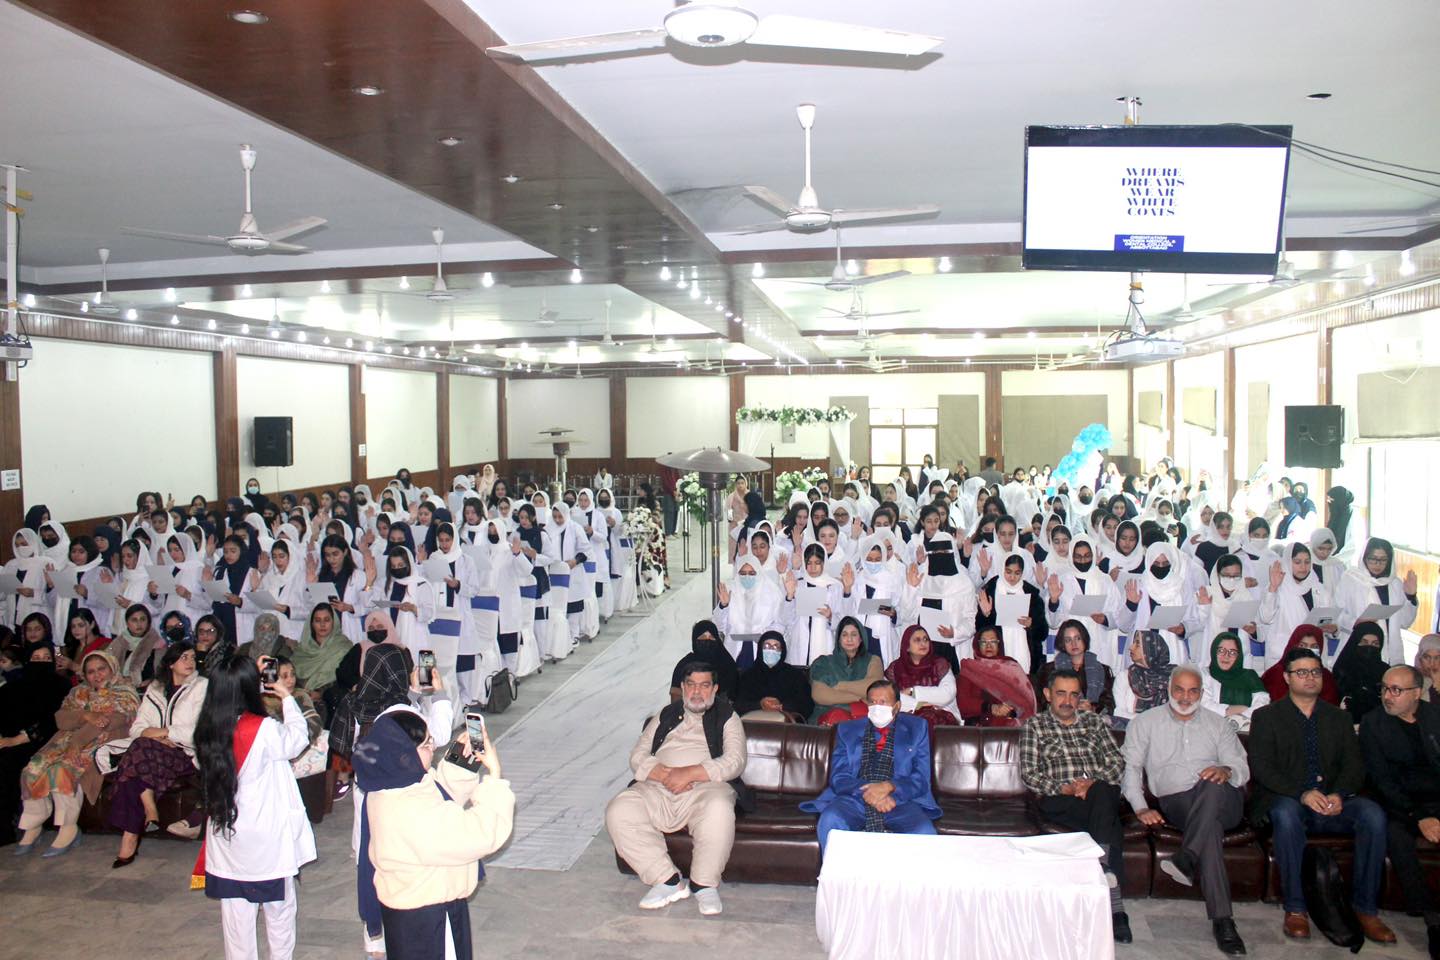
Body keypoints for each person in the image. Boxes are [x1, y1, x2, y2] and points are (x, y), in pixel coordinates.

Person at [1247, 646, 1395, 944]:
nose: (1310, 678)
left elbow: (1355, 766)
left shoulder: (1338, 718)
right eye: (1301, 672)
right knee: (1285, 815)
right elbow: (1262, 768)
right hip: (1290, 799)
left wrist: (1339, 794)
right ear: (1287, 678)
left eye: (1315, 672)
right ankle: (1296, 908)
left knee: (1372, 814)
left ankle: (1366, 909)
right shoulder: (1266, 717)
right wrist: (1303, 794)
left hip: (1332, 801)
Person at [352, 709, 511, 960]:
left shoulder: (389, 783)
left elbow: (437, 796)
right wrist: (495, 778)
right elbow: (479, 834)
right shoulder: (410, 809)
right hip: (428, 920)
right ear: (404, 754)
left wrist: (460, 762)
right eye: (427, 744)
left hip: (410, 911)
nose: (433, 747)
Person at [1122, 664, 1250, 956]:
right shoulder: (1145, 722)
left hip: (1225, 801)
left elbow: (1241, 766)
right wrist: (1140, 808)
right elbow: (1131, 769)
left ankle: (1188, 856)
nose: (1185, 697)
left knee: (1212, 784)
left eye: (1192, 691)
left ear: (1201, 693)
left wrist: (1226, 770)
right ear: (1169, 689)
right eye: (1179, 690)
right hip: (1178, 802)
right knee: (1210, 828)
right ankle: (1223, 920)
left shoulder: (1219, 724)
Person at [194, 656, 317, 960]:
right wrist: (285, 695)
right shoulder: (262, 729)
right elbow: (298, 739)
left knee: (236, 920)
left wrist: (245, 672)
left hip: (227, 835)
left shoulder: (206, 728)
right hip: (266, 839)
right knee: (279, 912)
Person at [605, 659, 749, 916]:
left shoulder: (728, 716)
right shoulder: (666, 714)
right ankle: (667, 880)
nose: (697, 692)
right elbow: (637, 755)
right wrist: (663, 774)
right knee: (620, 808)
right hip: (659, 785)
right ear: (682, 687)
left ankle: (704, 884)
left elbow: (735, 761)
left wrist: (690, 773)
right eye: (691, 685)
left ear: (715, 689)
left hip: (706, 787)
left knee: (718, 809)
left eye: (704, 685)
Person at [1021, 669, 1131, 943]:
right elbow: (1030, 774)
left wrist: (1091, 783)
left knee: (1103, 794)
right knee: (1108, 813)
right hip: (1060, 799)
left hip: (1097, 794)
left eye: (1073, 695)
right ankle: (1115, 908)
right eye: (1061, 693)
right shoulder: (1035, 726)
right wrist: (1065, 788)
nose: (1067, 701)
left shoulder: (1094, 722)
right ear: (1047, 695)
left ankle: (1110, 888)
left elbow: (1117, 763)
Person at [97, 640, 209, 866]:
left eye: (191, 657)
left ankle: (137, 827)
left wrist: (165, 733)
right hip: (151, 750)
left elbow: (200, 728)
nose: (189, 662)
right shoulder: (156, 688)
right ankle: (142, 817)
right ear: (171, 663)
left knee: (137, 754)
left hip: (184, 752)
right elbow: (138, 727)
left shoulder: (202, 686)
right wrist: (154, 737)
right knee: (140, 750)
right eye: (183, 657)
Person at [17, 649, 138, 856]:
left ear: (112, 668)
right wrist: (86, 715)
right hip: (65, 741)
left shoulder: (125, 692)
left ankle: (68, 828)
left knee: (63, 770)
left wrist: (78, 740)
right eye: (91, 671)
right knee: (32, 768)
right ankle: (33, 824)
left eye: (101, 669)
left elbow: (110, 721)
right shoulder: (78, 692)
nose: (97, 675)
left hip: (102, 743)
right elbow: (61, 718)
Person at [801, 679, 941, 855]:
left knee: (924, 831)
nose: (877, 707)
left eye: (883, 702)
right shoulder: (846, 730)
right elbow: (839, 778)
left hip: (901, 800)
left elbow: (920, 778)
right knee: (830, 819)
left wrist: (889, 787)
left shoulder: (917, 728)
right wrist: (871, 793)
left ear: (897, 706)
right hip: (854, 798)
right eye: (873, 702)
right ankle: (838, 873)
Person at [1359, 665, 1440, 959]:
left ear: (1417, 693)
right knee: (1396, 835)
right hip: (1398, 804)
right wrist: (1420, 816)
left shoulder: (1435, 717)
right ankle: (1432, 918)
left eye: (1396, 690)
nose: (1387, 696)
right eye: (1384, 688)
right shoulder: (1373, 723)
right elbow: (1382, 781)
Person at [0, 639, 73, 847]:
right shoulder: (12, 688)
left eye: (46, 658)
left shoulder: (63, 686)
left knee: (10, 763)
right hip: (10, 739)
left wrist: (16, 740)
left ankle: (8, 828)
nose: (41, 662)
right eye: (36, 658)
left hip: (46, 741)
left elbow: (54, 721)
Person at [1336, 537, 1418, 665]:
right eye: (1373, 559)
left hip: (1389, 650)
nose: (1377, 564)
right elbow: (1337, 613)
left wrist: (1411, 597)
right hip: (1358, 646)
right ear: (1364, 558)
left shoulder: (1395, 583)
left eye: (1383, 560)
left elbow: (1405, 622)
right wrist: (1355, 622)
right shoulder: (1350, 579)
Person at [1035, 619, 1116, 722]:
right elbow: (1042, 703)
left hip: (1091, 721)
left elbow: (1108, 704)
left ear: (1084, 639)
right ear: (1062, 644)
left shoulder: (1102, 670)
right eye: (1068, 640)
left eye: (1078, 638)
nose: (1074, 644)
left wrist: (1092, 709)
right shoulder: (1049, 670)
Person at [956, 625, 1037, 727]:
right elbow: (963, 703)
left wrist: (1009, 711)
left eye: (993, 641)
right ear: (977, 645)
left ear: (999, 644)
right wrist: (991, 708)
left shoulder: (1011, 667)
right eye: (984, 642)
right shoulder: (969, 668)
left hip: (1011, 722)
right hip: (979, 725)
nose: (988, 646)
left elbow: (1025, 700)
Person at [885, 624, 961, 731]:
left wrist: (913, 692)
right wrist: (919, 705)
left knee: (926, 720)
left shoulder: (940, 664)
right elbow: (889, 697)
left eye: (926, 639)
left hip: (941, 713)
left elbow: (947, 693)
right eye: (917, 640)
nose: (923, 643)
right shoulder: (896, 668)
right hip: (906, 712)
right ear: (907, 646)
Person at [809, 616, 884, 724]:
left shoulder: (873, 660)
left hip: (862, 718)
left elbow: (873, 689)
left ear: (861, 638)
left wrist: (838, 686)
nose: (849, 639)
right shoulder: (823, 662)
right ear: (838, 639)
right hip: (826, 719)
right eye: (844, 635)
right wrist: (858, 698)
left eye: (854, 634)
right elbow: (820, 695)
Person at [733, 631, 812, 722]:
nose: (771, 650)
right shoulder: (748, 676)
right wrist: (759, 705)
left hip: (787, 726)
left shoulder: (795, 675)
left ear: (782, 651)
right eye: (767, 646)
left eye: (776, 646)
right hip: (752, 725)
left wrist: (783, 706)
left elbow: (806, 704)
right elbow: (738, 705)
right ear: (760, 649)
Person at [1203, 632, 1270, 731]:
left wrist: (1239, 718)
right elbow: (1204, 706)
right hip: (1211, 730)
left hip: (1246, 732)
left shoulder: (1249, 675)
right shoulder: (1203, 674)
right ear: (1213, 651)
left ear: (1239, 655)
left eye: (1232, 652)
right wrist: (1239, 709)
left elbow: (1263, 702)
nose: (1226, 656)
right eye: (1221, 650)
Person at [1261, 625, 1340, 705]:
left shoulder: (1326, 677)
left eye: (1314, 647)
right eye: (1302, 645)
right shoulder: (1275, 674)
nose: (1308, 650)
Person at [668, 620, 739, 704]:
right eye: (702, 637)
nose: (707, 640)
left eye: (711, 637)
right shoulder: (685, 665)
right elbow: (676, 700)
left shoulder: (727, 664)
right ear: (695, 640)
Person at [1333, 620, 1389, 725]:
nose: (1369, 648)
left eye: (1375, 644)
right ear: (1355, 642)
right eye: (1364, 642)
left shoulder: (1386, 671)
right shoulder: (1342, 669)